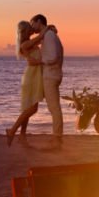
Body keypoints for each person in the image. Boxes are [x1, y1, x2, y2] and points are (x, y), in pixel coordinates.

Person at [6, 20, 45, 146]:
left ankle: (22, 136)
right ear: (25, 31)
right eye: (29, 28)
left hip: (34, 76)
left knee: (28, 108)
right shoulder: (25, 44)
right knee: (32, 109)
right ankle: (12, 131)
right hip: (31, 77)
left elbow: (39, 39)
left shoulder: (28, 42)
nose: (31, 29)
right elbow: (31, 62)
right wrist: (44, 62)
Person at [30, 13, 64, 148]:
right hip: (52, 74)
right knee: (53, 107)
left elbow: (53, 57)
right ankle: (57, 137)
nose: (32, 27)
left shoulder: (49, 36)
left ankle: (57, 138)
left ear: (39, 21)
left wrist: (39, 61)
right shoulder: (48, 34)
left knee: (54, 108)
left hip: (51, 75)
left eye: (33, 23)